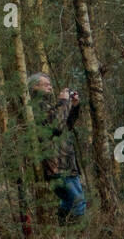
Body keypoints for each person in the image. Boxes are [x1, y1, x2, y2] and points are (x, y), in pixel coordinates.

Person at [29, 72, 86, 222]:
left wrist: (73, 106)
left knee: (69, 202)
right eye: (45, 84)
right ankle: (76, 238)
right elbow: (56, 127)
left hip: (66, 162)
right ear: (34, 87)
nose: (50, 86)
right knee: (77, 203)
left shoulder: (47, 105)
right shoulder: (35, 107)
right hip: (56, 165)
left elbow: (66, 125)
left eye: (50, 84)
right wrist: (63, 102)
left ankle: (64, 236)